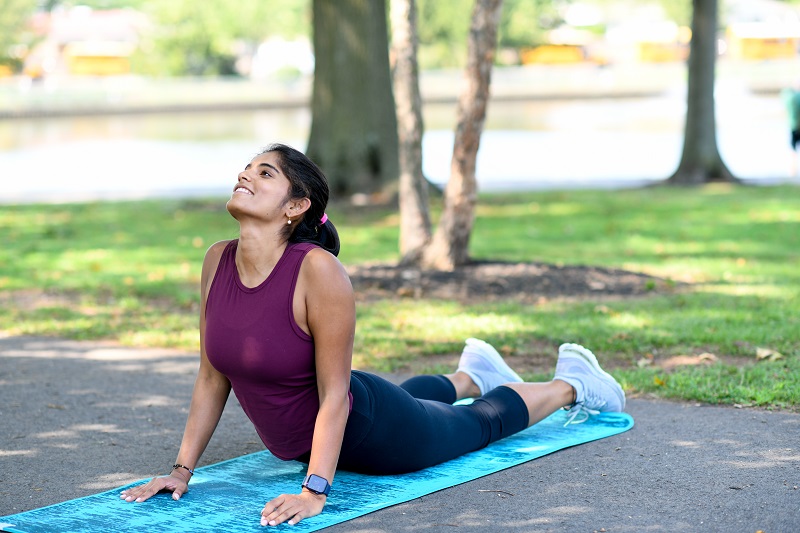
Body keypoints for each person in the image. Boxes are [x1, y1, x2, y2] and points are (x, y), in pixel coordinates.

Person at [119, 143, 626, 527]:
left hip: (377, 434)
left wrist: (314, 490)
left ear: (295, 206)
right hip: (335, 423)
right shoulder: (216, 260)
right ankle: (471, 374)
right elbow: (213, 375)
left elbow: (334, 395)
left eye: (264, 172)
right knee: (424, 403)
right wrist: (181, 471)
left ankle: (572, 384)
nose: (245, 175)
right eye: (246, 169)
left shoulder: (318, 272)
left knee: (474, 428)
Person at [783, 83, 800, 176]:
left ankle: (793, 170)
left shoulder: (790, 97)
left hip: (793, 126)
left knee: (793, 149)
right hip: (796, 126)